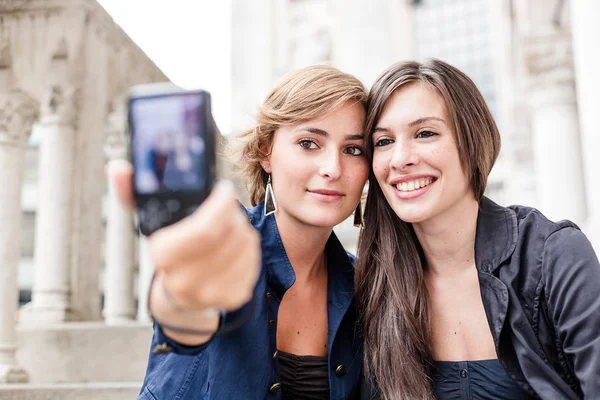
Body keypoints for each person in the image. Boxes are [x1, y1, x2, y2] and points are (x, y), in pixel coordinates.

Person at [110, 65, 369, 399]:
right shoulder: (230, 240)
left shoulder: (365, 285)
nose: (333, 168)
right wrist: (184, 299)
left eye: (353, 150)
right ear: (265, 152)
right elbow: (185, 313)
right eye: (308, 143)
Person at [355, 59, 600, 399]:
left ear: (471, 142)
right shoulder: (374, 284)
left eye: (425, 133)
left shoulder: (553, 255)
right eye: (383, 142)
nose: (400, 158)